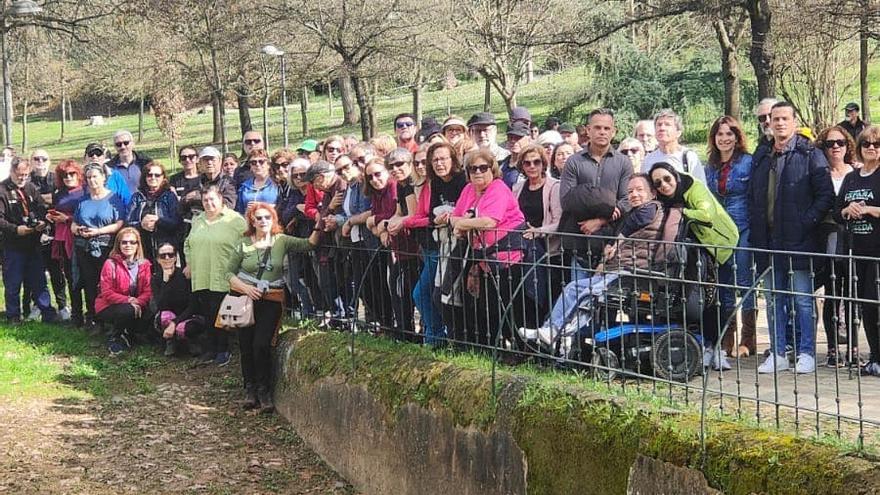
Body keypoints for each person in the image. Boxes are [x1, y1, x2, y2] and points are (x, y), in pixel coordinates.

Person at [518, 174, 670, 349]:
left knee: (589, 295)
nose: (634, 194)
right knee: (572, 288)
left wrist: (614, 244)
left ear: (652, 192)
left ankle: (562, 333)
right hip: (619, 270)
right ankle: (551, 330)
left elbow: (631, 227)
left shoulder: (651, 208)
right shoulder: (635, 211)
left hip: (632, 273)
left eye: (639, 190)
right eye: (630, 191)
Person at [749, 101, 834, 374]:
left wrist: (805, 222)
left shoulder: (810, 154)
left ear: (794, 122)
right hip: (768, 240)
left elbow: (825, 197)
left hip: (800, 240)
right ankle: (778, 352)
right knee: (773, 299)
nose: (780, 123)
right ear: (769, 123)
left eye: (785, 118)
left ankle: (807, 351)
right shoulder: (762, 155)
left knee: (802, 298)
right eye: (775, 119)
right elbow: (754, 195)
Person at [227, 203, 320, 412]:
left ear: (273, 219)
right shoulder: (243, 243)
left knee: (261, 344)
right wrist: (246, 289)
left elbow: (309, 244)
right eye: (258, 218)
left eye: (267, 217)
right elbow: (229, 273)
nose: (263, 221)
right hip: (245, 298)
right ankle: (249, 389)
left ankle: (264, 390)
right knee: (246, 344)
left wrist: (319, 221)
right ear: (252, 221)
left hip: (271, 298)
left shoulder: (281, 240)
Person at [649, 162, 739, 369]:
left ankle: (719, 349)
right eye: (658, 183)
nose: (664, 185)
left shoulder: (693, 187)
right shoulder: (666, 199)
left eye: (667, 179)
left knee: (721, 299)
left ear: (675, 176)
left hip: (721, 245)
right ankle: (707, 347)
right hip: (698, 250)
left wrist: (683, 212)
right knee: (702, 300)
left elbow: (706, 214)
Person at [449, 149, 534, 350]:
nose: (478, 172)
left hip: (509, 257)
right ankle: (494, 349)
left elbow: (489, 221)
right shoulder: (469, 189)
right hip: (483, 258)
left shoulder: (498, 188)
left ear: (492, 169)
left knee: (511, 307)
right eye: (473, 168)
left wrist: (463, 224)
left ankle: (524, 351)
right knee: (487, 308)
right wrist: (463, 222)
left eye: (483, 167)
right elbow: (454, 216)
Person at [705, 116, 757, 359]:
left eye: (729, 134)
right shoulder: (710, 166)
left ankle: (749, 339)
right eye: (720, 134)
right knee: (724, 285)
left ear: (737, 137)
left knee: (745, 283)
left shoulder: (748, 162)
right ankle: (727, 338)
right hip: (720, 233)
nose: (724, 138)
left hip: (744, 227)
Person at [559, 108, 632, 275]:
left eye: (607, 128)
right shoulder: (573, 162)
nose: (602, 132)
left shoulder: (623, 162)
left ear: (614, 132)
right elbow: (567, 200)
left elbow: (626, 201)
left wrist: (600, 220)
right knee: (578, 295)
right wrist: (607, 204)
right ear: (588, 130)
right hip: (580, 242)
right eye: (597, 127)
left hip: (611, 244)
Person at [184, 184, 248, 367]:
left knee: (222, 313)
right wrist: (188, 263)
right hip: (202, 274)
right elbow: (188, 243)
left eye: (212, 199)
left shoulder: (235, 220)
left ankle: (224, 349)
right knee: (208, 313)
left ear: (221, 200)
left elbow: (247, 244)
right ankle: (211, 349)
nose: (209, 203)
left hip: (224, 275)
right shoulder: (198, 220)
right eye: (205, 200)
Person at [834, 125, 880, 376]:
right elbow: (836, 211)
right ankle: (875, 356)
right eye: (866, 144)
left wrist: (871, 210)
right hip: (857, 251)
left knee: (876, 303)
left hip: (878, 251)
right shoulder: (852, 177)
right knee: (865, 306)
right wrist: (847, 210)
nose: (871, 148)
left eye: (876, 144)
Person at [816, 126, 857, 366]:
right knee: (832, 294)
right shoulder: (819, 174)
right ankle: (832, 349)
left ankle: (852, 348)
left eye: (840, 143)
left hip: (854, 241)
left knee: (853, 296)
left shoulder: (857, 173)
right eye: (830, 144)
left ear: (847, 145)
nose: (835, 148)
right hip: (829, 239)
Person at [0, 158, 57, 323]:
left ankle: (48, 313)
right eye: (19, 175)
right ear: (11, 172)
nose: (22, 178)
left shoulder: (30, 187)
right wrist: (15, 229)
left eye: (25, 175)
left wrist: (42, 221)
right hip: (13, 245)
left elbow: (40, 208)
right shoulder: (2, 190)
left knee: (39, 280)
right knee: (13, 283)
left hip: (33, 243)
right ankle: (13, 316)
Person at [72, 163, 126, 329]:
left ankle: (110, 318)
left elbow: (119, 223)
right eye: (88, 178)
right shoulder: (82, 200)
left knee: (106, 284)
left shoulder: (113, 198)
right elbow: (73, 224)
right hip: (84, 248)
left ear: (103, 177)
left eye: (95, 176)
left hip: (106, 247)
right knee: (89, 283)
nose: (92, 180)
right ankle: (94, 318)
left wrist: (98, 231)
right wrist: (78, 229)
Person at [513, 143, 563, 313]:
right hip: (521, 246)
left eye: (536, 162)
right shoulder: (518, 187)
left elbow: (559, 223)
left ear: (543, 164)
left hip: (547, 248)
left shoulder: (554, 186)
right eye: (527, 163)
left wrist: (538, 231)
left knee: (546, 297)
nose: (532, 166)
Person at [96, 227, 152, 356]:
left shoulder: (145, 264)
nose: (128, 245)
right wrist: (129, 300)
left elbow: (148, 291)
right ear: (118, 244)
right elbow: (107, 292)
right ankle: (115, 337)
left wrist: (138, 302)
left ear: (138, 245)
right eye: (124, 242)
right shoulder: (110, 264)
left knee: (151, 313)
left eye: (132, 242)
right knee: (128, 310)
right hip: (109, 306)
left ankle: (130, 334)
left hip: (136, 305)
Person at [384, 148, 421, 341]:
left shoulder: (413, 184)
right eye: (391, 166)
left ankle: (420, 332)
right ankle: (406, 331)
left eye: (400, 164)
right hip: (403, 247)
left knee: (416, 291)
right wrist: (388, 224)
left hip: (417, 247)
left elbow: (413, 214)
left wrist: (398, 222)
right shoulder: (400, 185)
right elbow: (399, 211)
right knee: (398, 288)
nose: (395, 169)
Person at [28, 149, 69, 320]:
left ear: (49, 160)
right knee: (35, 271)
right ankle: (38, 304)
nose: (40, 161)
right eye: (36, 158)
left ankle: (62, 305)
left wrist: (40, 199)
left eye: (43, 158)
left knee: (57, 272)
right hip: (33, 231)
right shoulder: (26, 179)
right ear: (31, 161)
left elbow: (62, 199)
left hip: (56, 232)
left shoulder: (57, 180)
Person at [305, 160, 348, 321]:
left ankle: (347, 317)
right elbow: (324, 214)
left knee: (346, 282)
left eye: (314, 182)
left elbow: (329, 215)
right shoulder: (330, 191)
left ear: (321, 177)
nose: (315, 187)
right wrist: (328, 210)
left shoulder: (340, 187)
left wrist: (330, 217)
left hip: (345, 241)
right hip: (334, 242)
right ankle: (340, 317)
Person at [277, 159, 318, 318]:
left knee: (315, 278)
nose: (300, 178)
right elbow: (285, 214)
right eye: (295, 176)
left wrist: (299, 216)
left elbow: (317, 214)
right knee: (295, 280)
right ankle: (308, 312)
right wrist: (298, 208)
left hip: (314, 238)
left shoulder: (315, 190)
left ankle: (320, 312)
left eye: (303, 174)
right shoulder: (293, 193)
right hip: (296, 240)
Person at [47, 160, 86, 326]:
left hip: (81, 238)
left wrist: (68, 219)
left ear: (78, 174)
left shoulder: (85, 191)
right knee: (70, 277)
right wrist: (53, 217)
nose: (68, 177)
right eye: (64, 175)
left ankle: (94, 316)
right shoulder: (59, 192)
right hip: (63, 238)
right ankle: (76, 316)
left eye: (72, 174)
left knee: (87, 278)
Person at [127, 161, 181, 260]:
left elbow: (176, 222)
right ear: (144, 177)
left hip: (165, 245)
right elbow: (128, 223)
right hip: (141, 247)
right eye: (149, 175)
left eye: (157, 175)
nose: (153, 178)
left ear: (163, 178)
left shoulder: (169, 196)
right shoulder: (137, 197)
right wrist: (141, 225)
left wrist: (158, 220)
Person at [151, 242, 197, 357]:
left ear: (175, 257)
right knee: (164, 316)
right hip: (168, 316)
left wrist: (175, 323)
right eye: (163, 256)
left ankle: (190, 341)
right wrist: (165, 282)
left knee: (185, 328)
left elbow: (193, 306)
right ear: (158, 259)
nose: (167, 258)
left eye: (170, 255)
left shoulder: (185, 276)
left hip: (187, 316)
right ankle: (171, 342)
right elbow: (160, 305)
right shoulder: (156, 278)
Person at [642, 109, 706, 183]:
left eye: (667, 124)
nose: (662, 128)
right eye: (659, 125)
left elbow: (701, 188)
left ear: (678, 132)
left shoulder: (688, 157)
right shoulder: (648, 160)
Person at [84, 142, 132, 211]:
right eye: (91, 154)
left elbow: (126, 199)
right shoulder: (81, 177)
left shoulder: (115, 175)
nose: (95, 157)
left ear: (104, 157)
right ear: (85, 158)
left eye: (98, 154)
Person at [108, 130, 150, 195]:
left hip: (142, 203)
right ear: (115, 147)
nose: (123, 147)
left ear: (133, 143)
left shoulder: (145, 162)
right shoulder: (109, 167)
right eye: (118, 144)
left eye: (126, 143)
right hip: (119, 204)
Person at [236, 149, 279, 214]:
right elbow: (240, 211)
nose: (257, 165)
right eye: (253, 162)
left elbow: (283, 207)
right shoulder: (244, 187)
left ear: (268, 165)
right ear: (250, 166)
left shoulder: (277, 184)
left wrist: (262, 206)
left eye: (261, 161)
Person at [498, 122, 530, 188]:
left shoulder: (533, 166)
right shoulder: (500, 165)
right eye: (510, 137)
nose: (513, 141)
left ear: (528, 139)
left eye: (518, 137)